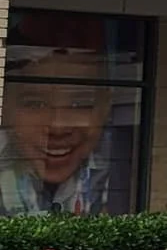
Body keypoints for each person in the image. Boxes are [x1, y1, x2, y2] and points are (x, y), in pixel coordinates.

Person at [0, 38, 121, 215]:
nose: (58, 126)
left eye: (79, 105)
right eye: (35, 104)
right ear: (5, 108)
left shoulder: (126, 171)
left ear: (105, 108)